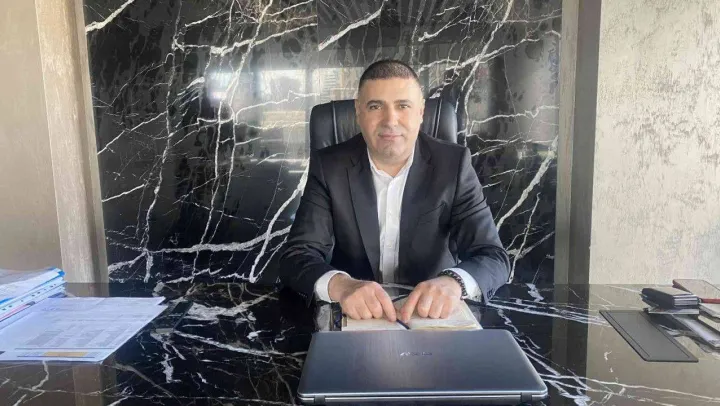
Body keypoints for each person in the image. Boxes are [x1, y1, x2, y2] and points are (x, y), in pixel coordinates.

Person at [280, 60, 510, 323]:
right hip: (356, 316)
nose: (390, 120)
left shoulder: (454, 165)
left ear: (420, 112)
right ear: (358, 112)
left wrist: (453, 283)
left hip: (432, 318)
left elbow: (493, 256)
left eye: (403, 106)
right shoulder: (329, 167)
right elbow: (297, 256)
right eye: (375, 106)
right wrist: (341, 286)